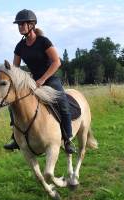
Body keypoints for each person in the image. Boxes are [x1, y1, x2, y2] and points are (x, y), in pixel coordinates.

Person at [4, 9, 75, 154]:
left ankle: (68, 140)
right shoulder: (19, 46)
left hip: (49, 79)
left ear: (32, 25)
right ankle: (16, 138)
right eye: (18, 25)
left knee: (62, 103)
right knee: (13, 103)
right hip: (33, 81)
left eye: (22, 24)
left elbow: (57, 62)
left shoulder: (43, 41)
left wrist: (43, 79)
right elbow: (15, 69)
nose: (20, 27)